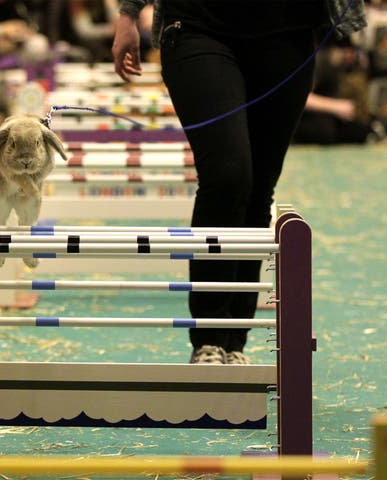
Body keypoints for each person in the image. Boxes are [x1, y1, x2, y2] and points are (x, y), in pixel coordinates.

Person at [112, 0, 367, 364]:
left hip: (288, 34)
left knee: (259, 188)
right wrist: (128, 13)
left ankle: (234, 342)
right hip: (197, 26)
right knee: (229, 176)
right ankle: (208, 338)